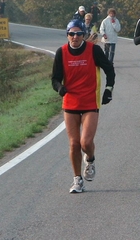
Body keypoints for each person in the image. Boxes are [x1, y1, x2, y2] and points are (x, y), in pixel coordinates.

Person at [51, 19, 115, 193]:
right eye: (72, 34)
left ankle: (91, 159)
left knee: (85, 142)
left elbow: (109, 69)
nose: (75, 37)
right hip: (70, 102)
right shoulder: (61, 52)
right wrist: (60, 88)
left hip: (89, 101)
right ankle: (77, 180)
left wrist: (108, 90)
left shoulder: (93, 50)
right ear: (67, 35)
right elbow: (55, 78)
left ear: (83, 35)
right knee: (74, 144)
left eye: (79, 34)